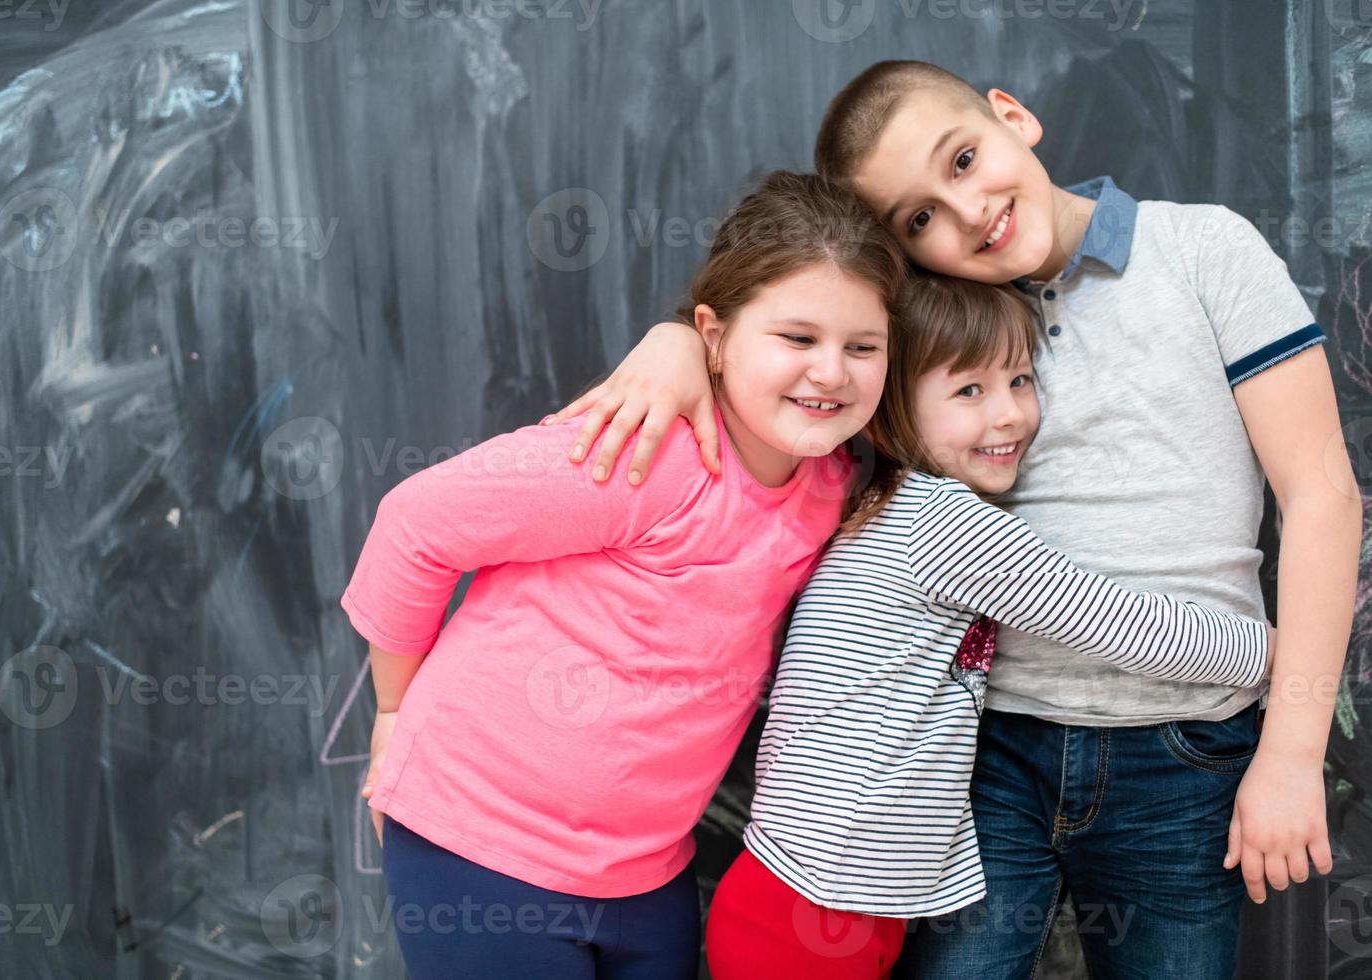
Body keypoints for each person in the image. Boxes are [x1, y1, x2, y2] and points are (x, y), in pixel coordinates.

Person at [541, 61, 1360, 978]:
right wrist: (680, 342)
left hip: (1184, 751)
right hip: (985, 752)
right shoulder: (922, 324)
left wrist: (1293, 748)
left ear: (1012, 116)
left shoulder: (1204, 250)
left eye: (965, 159)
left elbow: (1322, 492)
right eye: (919, 218)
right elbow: (792, 318)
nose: (967, 214)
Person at [340, 170, 904, 979]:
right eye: (797, 338)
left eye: (862, 348)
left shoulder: (832, 487)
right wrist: (393, 708)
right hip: (479, 843)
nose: (831, 373)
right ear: (713, 334)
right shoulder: (643, 450)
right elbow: (415, 524)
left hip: (648, 871)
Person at [703, 273, 1275, 979]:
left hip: (834, 899)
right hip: (809, 907)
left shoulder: (883, 500)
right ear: (890, 414)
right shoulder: (943, 523)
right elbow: (1132, 628)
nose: (1008, 415)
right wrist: (1281, 650)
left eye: (1020, 380)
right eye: (968, 391)